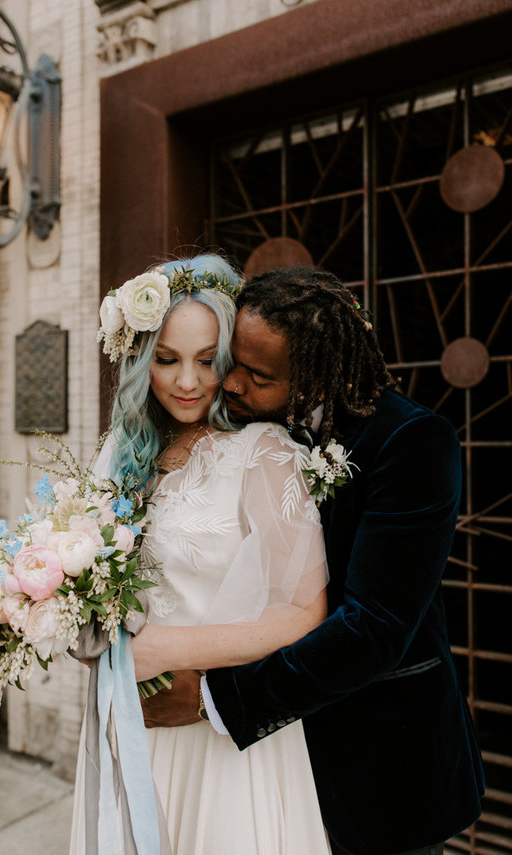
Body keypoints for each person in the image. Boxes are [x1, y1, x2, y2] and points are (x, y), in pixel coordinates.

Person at [134, 265, 485, 855]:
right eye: (234, 362)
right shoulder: (251, 432)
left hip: (381, 759)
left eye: (258, 374)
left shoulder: (414, 444)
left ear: (318, 376)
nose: (233, 384)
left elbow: (375, 629)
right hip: (269, 767)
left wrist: (211, 699)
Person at [70, 254, 332, 855]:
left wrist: (165, 651)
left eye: (206, 361)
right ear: (141, 362)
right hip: (129, 721)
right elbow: (87, 573)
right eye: (166, 360)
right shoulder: (119, 452)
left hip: (217, 732)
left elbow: (304, 611)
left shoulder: (263, 453)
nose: (186, 382)